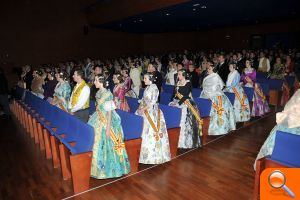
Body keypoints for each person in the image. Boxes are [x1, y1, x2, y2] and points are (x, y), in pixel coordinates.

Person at [88, 75, 130, 179]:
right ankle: (95, 168)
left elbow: (110, 112)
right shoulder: (98, 92)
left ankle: (110, 169)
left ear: (101, 82)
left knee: (107, 142)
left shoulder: (107, 94)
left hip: (107, 121)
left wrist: (107, 128)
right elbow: (99, 108)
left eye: (96, 80)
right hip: (97, 118)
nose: (94, 82)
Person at [254, 84, 300, 169]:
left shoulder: (298, 94)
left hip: (288, 124)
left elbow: (288, 108)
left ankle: (269, 167)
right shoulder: (298, 93)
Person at [135, 73, 171, 164]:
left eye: (145, 78)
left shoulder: (154, 88)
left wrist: (143, 109)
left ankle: (154, 156)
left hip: (152, 112)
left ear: (150, 79)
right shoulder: (147, 87)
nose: (144, 80)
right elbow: (144, 100)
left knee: (151, 131)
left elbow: (152, 102)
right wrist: (140, 107)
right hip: (145, 109)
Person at [200, 62, 236, 135]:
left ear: (213, 69)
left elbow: (221, 86)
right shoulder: (207, 77)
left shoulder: (216, 76)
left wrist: (215, 90)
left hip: (216, 95)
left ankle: (221, 129)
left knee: (220, 110)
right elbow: (204, 86)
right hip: (207, 95)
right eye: (208, 69)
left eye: (209, 69)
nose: (208, 70)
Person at [169, 69, 202, 148]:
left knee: (186, 122)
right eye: (178, 74)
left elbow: (187, 96)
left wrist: (178, 103)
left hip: (186, 103)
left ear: (184, 75)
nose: (178, 76)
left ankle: (184, 141)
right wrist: (172, 101)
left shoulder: (188, 83)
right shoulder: (178, 83)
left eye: (179, 74)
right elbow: (174, 94)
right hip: (177, 102)